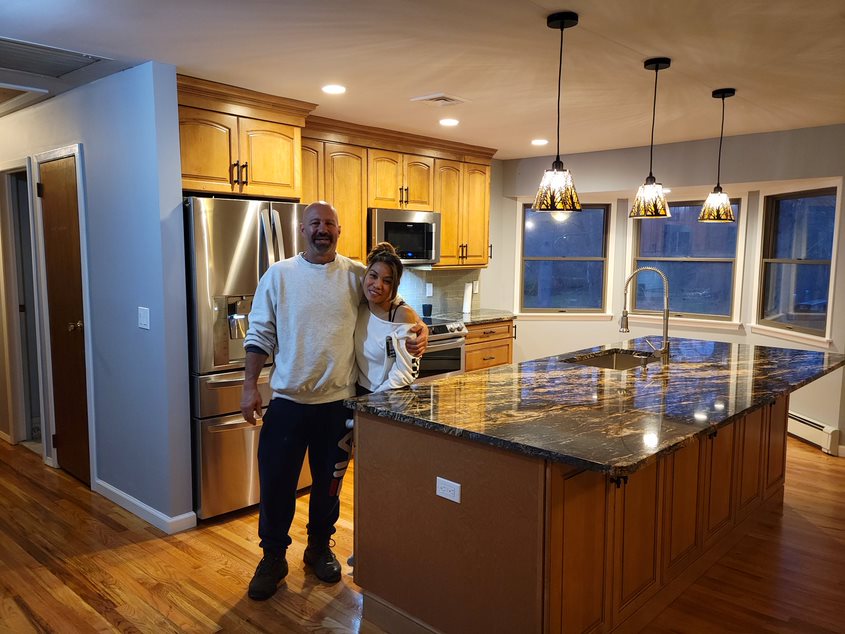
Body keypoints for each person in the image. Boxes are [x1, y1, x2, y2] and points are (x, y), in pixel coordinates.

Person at [240, 201, 427, 600]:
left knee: (329, 486)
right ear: (302, 230)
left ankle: (319, 548)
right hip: (288, 402)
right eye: (314, 223)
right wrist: (249, 385)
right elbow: (260, 333)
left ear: (339, 230)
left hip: (338, 404)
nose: (321, 229)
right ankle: (272, 557)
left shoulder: (355, 274)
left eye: (328, 223)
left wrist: (419, 326)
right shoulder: (279, 275)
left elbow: (391, 302)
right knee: (276, 485)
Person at [354, 242, 421, 394]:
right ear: (365, 275)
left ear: (394, 286)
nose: (377, 285)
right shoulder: (360, 308)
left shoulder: (401, 315)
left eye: (387, 281)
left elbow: (406, 372)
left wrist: (374, 400)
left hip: (389, 396)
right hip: (358, 393)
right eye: (373, 276)